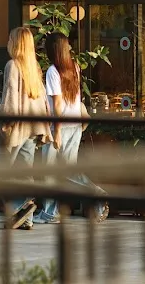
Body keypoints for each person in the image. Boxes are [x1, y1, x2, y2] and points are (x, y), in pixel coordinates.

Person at [34, 33, 109, 225]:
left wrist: (57, 131)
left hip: (58, 125)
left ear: (52, 49)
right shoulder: (74, 67)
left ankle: (52, 212)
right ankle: (90, 195)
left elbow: (57, 103)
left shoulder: (53, 71)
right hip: (74, 124)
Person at [0, 27, 53, 230]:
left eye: (10, 39)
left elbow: (10, 99)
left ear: (16, 43)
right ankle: (27, 219)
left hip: (16, 128)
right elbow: (42, 99)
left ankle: (21, 205)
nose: (7, 42)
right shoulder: (33, 66)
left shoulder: (12, 65)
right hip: (34, 127)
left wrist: (5, 124)